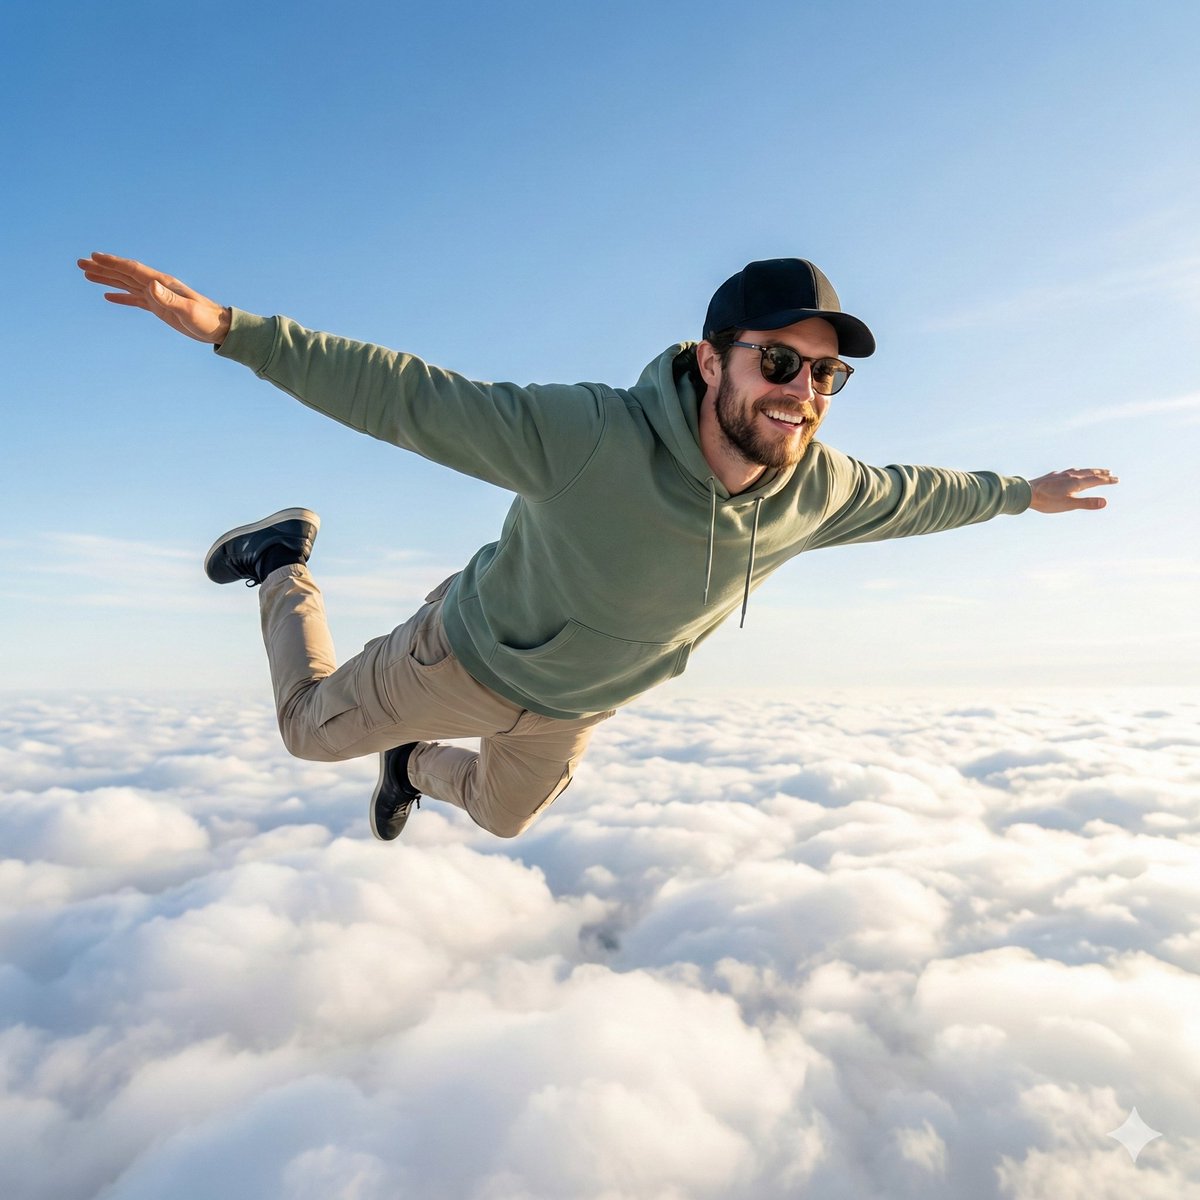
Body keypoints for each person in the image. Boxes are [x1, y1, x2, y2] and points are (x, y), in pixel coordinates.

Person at [76, 252, 1118, 843]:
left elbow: (921, 494)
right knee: (306, 732)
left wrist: (1027, 494)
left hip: (573, 703)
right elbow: (412, 398)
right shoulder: (592, 436)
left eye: (822, 375)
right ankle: (280, 563)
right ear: (713, 361)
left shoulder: (821, 490)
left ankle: (410, 768)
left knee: (501, 818)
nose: (802, 393)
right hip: (466, 656)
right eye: (777, 362)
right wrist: (231, 330)